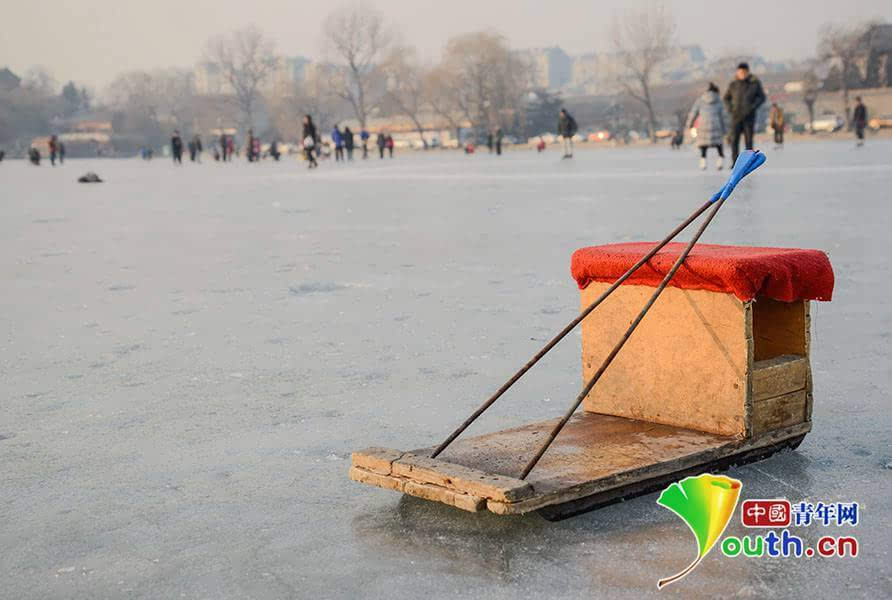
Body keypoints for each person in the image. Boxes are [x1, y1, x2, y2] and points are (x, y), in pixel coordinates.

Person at [723, 62, 765, 163]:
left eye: (744, 72)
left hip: (749, 116)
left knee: (748, 141)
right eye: (740, 72)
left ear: (747, 72)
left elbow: (761, 97)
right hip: (736, 116)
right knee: (734, 141)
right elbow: (726, 98)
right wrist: (730, 109)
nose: (742, 74)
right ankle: (735, 162)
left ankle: (748, 162)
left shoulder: (754, 84)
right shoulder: (733, 84)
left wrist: (753, 107)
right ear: (737, 72)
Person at [686, 82, 727, 170]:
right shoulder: (719, 101)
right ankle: (720, 162)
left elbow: (693, 113)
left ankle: (703, 163)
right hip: (716, 125)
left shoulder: (700, 100)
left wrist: (689, 125)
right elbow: (724, 116)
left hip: (703, 124)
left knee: (703, 145)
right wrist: (725, 129)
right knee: (719, 145)